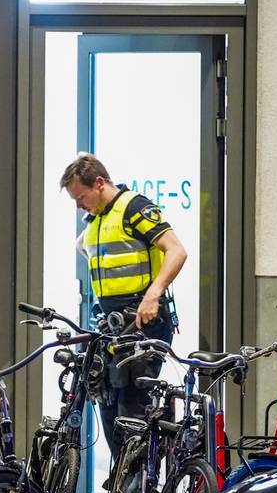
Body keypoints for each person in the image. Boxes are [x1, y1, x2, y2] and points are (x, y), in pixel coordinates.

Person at [59, 153, 188, 453]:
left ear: (100, 183)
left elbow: (176, 251)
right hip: (111, 327)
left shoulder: (135, 208)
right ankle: (121, 485)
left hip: (143, 322)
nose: (78, 205)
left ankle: (137, 489)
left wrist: (153, 294)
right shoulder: (95, 221)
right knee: (107, 403)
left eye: (81, 197)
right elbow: (89, 255)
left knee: (132, 409)